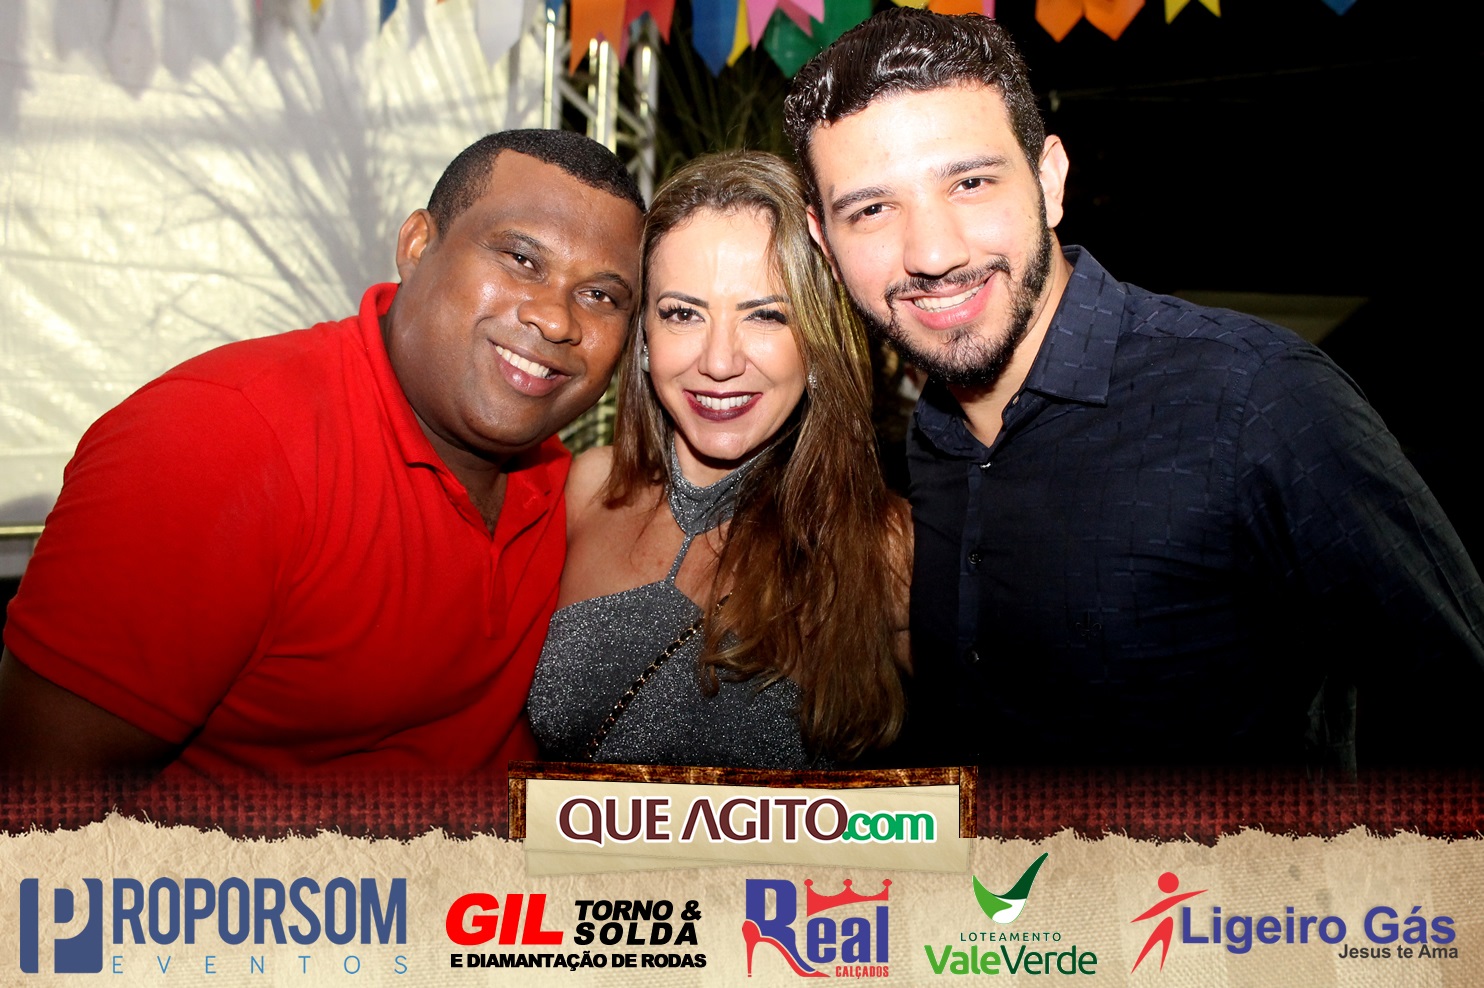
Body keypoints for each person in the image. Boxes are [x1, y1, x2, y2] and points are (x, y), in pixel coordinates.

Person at [782, 9, 1484, 769]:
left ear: (1049, 181)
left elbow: (1457, 707)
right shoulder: (932, 439)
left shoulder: (1258, 399)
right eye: (873, 209)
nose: (932, 252)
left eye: (971, 182)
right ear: (825, 243)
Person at [0, 130, 645, 810]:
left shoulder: (571, 490)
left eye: (601, 296)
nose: (556, 319)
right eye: (521, 259)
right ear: (417, 245)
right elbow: (35, 815)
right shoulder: (217, 440)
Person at [526, 150, 910, 768]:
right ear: (643, 337)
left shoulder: (883, 545)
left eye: (766, 315)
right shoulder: (585, 492)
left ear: (816, 341)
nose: (720, 361)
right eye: (683, 314)